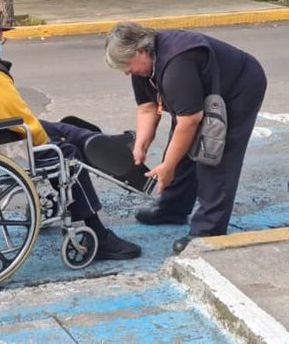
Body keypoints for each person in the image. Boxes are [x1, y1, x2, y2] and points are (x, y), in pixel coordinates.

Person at [0, 5, 142, 261]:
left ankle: (98, 140)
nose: (1, 42)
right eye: (0, 37)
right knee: (66, 154)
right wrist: (48, 144)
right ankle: (96, 233)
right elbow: (18, 119)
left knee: (63, 128)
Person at [103, 21, 267, 254]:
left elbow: (189, 121)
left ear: (140, 50)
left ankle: (208, 230)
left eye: (127, 65)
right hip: (200, 95)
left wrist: (168, 166)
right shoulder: (143, 63)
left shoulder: (177, 63)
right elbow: (148, 108)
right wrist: (140, 146)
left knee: (214, 151)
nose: (126, 72)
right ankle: (173, 208)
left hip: (239, 88)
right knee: (179, 144)